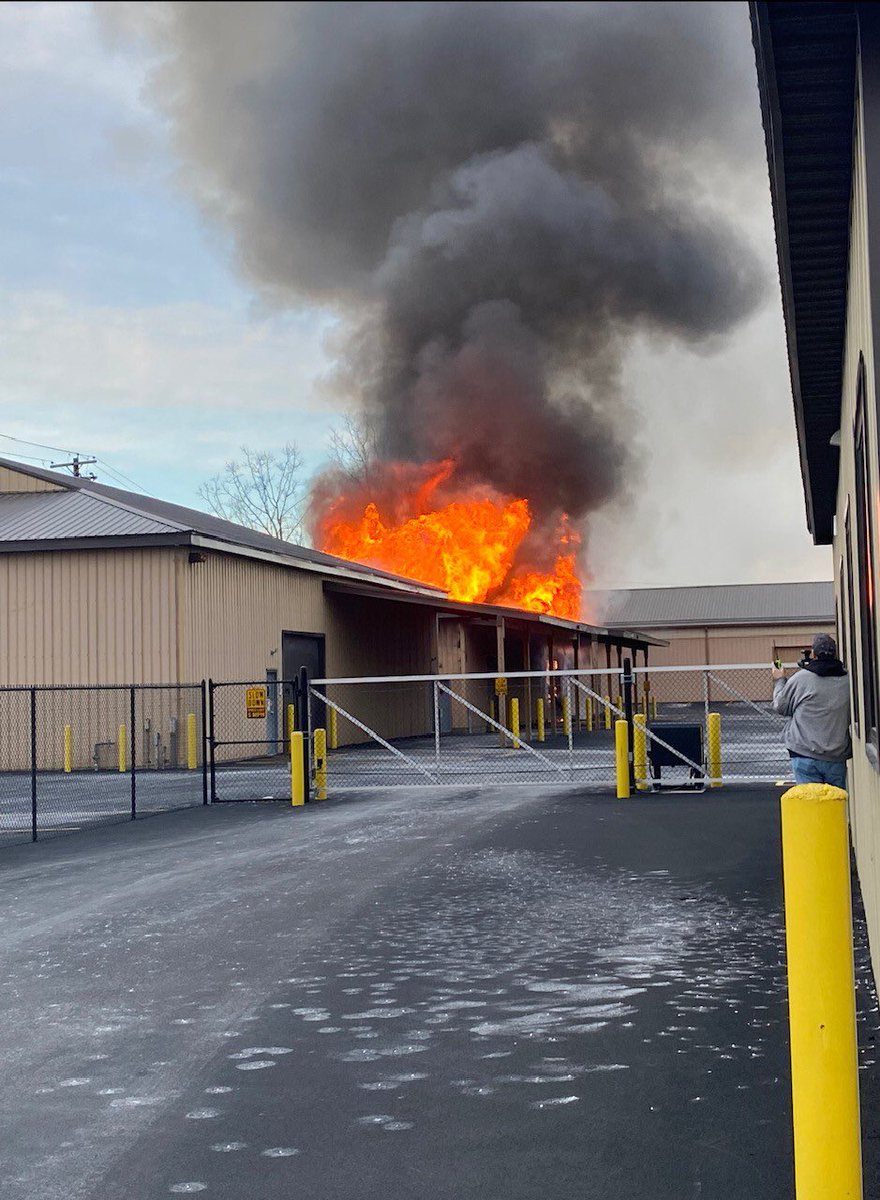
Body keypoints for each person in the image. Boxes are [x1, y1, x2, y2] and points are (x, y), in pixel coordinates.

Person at [771, 633, 851, 788]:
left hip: (804, 752)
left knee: (811, 805)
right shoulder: (847, 680)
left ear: (813, 654)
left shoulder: (801, 679)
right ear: (835, 654)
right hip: (836, 756)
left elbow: (780, 706)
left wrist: (779, 679)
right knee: (834, 805)